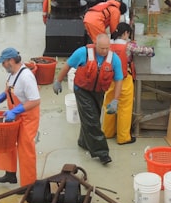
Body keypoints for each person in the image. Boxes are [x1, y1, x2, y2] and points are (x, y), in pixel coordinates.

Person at [52, 33, 123, 165]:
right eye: (102, 48)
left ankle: (83, 141)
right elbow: (67, 66)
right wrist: (58, 81)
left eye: (107, 48)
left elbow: (118, 80)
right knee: (92, 120)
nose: (105, 51)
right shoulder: (82, 53)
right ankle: (102, 153)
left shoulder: (114, 59)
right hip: (82, 90)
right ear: (96, 45)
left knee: (93, 117)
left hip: (98, 92)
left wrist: (115, 100)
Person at [0, 47, 40, 185]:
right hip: (15, 115)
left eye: (3, 62)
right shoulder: (12, 74)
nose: (2, 66)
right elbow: (9, 91)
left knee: (25, 150)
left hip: (27, 117)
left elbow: (35, 100)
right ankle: (10, 174)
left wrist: (15, 111)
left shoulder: (26, 77)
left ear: (10, 61)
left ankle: (29, 184)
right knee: (7, 142)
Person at [102, 22, 154, 145]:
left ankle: (107, 132)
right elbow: (144, 51)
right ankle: (123, 137)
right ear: (125, 33)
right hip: (124, 80)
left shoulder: (108, 45)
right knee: (124, 108)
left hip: (109, 80)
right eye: (128, 34)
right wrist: (152, 50)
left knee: (109, 105)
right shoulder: (128, 46)